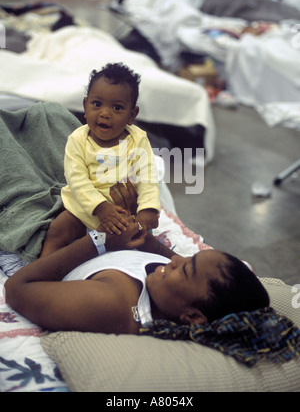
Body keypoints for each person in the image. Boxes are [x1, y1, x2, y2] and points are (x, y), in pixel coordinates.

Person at [5, 183, 270, 335]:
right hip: (95, 229)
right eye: (189, 259)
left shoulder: (113, 304)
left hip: (56, 241)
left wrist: (99, 241)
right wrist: (131, 220)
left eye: (185, 270)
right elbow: (156, 247)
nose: (176, 260)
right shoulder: (172, 287)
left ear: (193, 317)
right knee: (58, 121)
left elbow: (17, 289)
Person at [41, 63, 160, 257]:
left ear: (132, 115)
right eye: (97, 104)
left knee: (144, 241)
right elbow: (77, 181)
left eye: (117, 107)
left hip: (125, 215)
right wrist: (101, 208)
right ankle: (42, 270)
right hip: (86, 211)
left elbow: (147, 178)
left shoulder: (137, 139)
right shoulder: (78, 140)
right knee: (57, 229)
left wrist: (148, 210)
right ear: (85, 106)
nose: (105, 113)